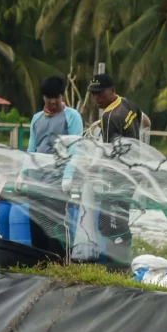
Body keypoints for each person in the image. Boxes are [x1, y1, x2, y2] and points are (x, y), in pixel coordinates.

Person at [65, 73, 142, 269]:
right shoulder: (127, 104)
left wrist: (89, 168)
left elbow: (106, 155)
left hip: (119, 176)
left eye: (100, 93)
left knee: (111, 222)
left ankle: (119, 267)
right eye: (93, 94)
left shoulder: (109, 117)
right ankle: (118, 263)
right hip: (134, 171)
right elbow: (146, 122)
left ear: (112, 90)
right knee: (115, 219)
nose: (96, 98)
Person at [14, 76, 84, 255]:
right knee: (37, 228)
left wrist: (68, 176)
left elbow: (76, 149)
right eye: (49, 97)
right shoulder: (37, 119)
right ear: (43, 98)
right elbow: (32, 149)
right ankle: (40, 265)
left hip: (58, 183)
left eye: (57, 97)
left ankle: (59, 265)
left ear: (62, 96)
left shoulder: (72, 117)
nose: (53, 101)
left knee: (56, 228)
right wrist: (23, 174)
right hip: (36, 183)